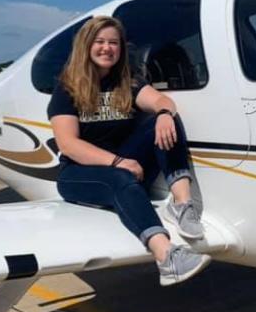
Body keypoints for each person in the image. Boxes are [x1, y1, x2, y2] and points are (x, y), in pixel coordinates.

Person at [48, 15, 210, 286]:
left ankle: (182, 204)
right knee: (119, 178)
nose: (107, 48)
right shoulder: (67, 89)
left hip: (125, 165)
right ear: (86, 46)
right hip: (79, 173)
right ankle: (166, 257)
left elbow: (161, 100)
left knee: (166, 120)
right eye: (99, 41)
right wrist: (118, 162)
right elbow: (69, 144)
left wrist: (164, 113)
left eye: (113, 43)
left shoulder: (128, 82)